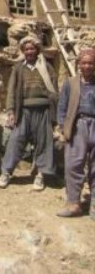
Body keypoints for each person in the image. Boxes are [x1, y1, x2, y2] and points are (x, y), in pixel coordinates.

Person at [0, 36, 58, 191]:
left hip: (43, 111)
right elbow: (11, 90)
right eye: (26, 49)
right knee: (16, 140)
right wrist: (11, 110)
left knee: (43, 142)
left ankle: (41, 174)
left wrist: (54, 115)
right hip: (23, 111)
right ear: (23, 51)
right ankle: (6, 172)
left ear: (37, 50)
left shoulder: (47, 67)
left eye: (32, 49)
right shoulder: (18, 68)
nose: (29, 51)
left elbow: (54, 90)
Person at [57, 49, 95, 218]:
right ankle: (73, 203)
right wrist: (63, 127)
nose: (87, 66)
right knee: (73, 165)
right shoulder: (70, 83)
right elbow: (62, 106)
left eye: (91, 63)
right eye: (84, 62)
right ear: (79, 64)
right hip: (77, 126)